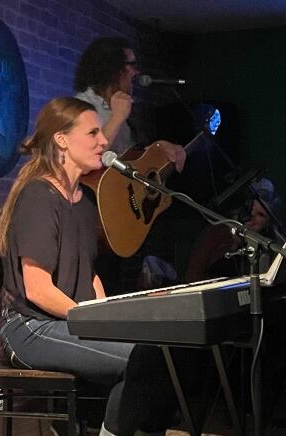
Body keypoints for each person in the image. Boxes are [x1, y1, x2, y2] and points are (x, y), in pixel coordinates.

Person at [0, 96, 205, 436]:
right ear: (61, 140)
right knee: (144, 357)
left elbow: (88, 274)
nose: (104, 139)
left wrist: (110, 316)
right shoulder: (38, 197)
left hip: (68, 320)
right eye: (93, 132)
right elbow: (35, 288)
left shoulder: (83, 202)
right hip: (31, 327)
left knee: (174, 349)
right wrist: (93, 320)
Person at [73, 36, 187, 294]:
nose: (136, 72)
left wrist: (158, 150)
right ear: (113, 68)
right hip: (94, 214)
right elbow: (86, 157)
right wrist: (118, 116)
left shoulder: (117, 107)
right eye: (131, 64)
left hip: (122, 213)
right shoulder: (82, 105)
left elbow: (126, 159)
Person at [185, 180, 281, 282]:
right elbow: (194, 272)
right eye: (250, 210)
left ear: (268, 222)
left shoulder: (270, 244)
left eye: (260, 215)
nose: (252, 216)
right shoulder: (218, 231)